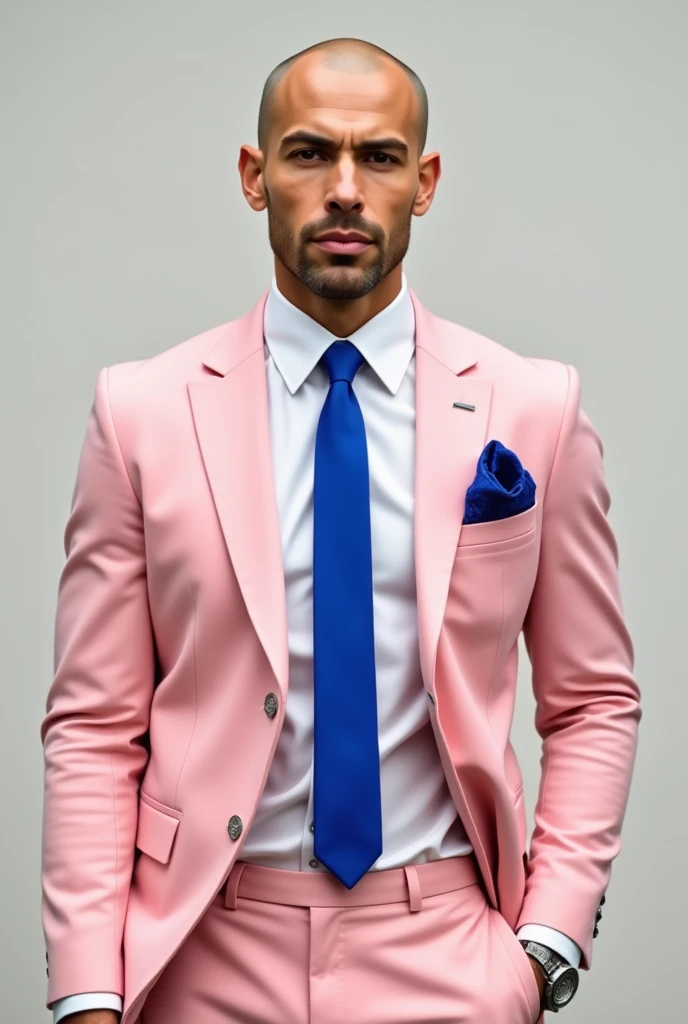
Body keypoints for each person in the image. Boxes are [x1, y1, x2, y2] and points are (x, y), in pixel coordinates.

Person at [40, 36, 641, 1024]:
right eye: (311, 152)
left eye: (381, 156)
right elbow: (97, 727)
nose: (346, 190)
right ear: (254, 173)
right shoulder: (141, 413)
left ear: (426, 180)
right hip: (205, 949)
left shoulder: (533, 407)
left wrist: (545, 946)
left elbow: (592, 700)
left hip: (446, 947)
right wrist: (88, 995)